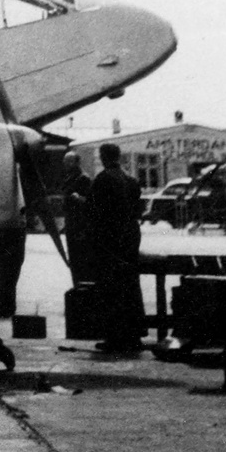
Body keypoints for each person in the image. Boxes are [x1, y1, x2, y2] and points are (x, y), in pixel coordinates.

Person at [89, 143, 146, 353]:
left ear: (104, 156)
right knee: (130, 285)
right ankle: (134, 336)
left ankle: (114, 337)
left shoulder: (103, 179)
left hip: (110, 239)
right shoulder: (131, 180)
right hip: (130, 236)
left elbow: (95, 210)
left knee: (111, 288)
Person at [61, 151, 95, 286]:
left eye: (69, 161)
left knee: (80, 258)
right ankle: (77, 285)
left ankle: (81, 286)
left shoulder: (84, 179)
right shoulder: (69, 177)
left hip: (80, 226)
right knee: (74, 259)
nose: (66, 164)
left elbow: (90, 202)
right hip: (71, 224)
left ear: (77, 162)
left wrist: (78, 198)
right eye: (65, 161)